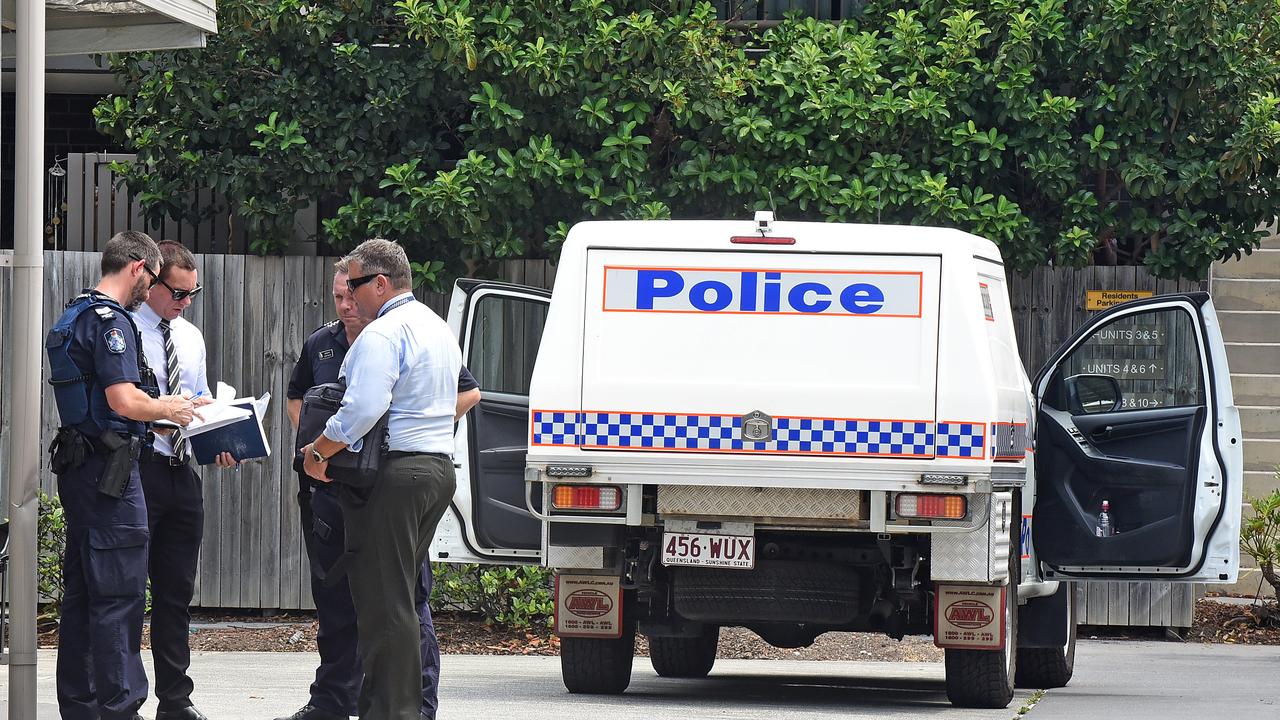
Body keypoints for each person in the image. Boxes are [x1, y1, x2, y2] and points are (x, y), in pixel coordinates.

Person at [278, 258, 479, 720]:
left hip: (395, 476)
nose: (350, 295)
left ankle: (394, 711)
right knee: (402, 599)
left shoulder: (383, 333)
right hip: (435, 469)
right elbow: (454, 396)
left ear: (381, 283)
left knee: (383, 606)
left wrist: (319, 452)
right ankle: (390, 707)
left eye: (356, 285)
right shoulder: (434, 326)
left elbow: (362, 407)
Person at [46, 230, 196, 720]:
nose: (147, 288)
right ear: (138, 268)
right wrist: (168, 408)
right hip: (111, 476)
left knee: (84, 595)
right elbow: (124, 399)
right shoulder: (111, 322)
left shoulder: (74, 313)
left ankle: (82, 707)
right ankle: (120, 708)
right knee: (119, 597)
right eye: (151, 278)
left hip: (82, 471)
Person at [130, 240, 236, 720]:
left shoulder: (191, 337)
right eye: (177, 293)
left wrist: (223, 435)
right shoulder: (126, 329)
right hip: (140, 470)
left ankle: (176, 700)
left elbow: (199, 398)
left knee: (176, 593)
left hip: (182, 471)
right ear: (151, 283)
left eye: (192, 293)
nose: (184, 302)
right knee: (129, 589)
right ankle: (124, 696)